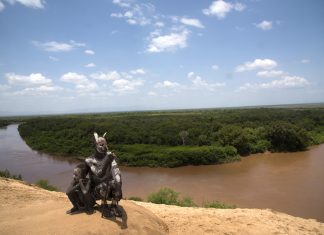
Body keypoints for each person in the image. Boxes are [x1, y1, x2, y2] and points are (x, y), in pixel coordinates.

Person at [85, 132, 123, 217]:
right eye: (101, 145)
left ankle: (114, 205)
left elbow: (115, 170)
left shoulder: (110, 156)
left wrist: (118, 185)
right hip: (97, 188)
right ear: (95, 146)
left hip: (109, 184)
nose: (103, 147)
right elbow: (99, 174)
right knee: (104, 185)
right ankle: (103, 204)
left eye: (104, 144)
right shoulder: (90, 160)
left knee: (117, 181)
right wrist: (107, 161)